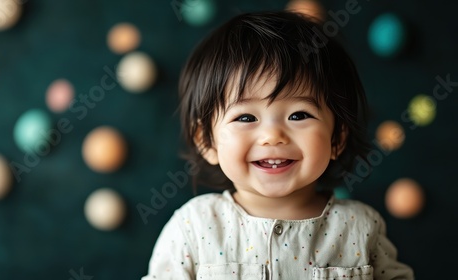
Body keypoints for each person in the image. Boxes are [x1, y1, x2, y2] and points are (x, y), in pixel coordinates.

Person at [142, 10, 414, 280]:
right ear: (207, 141)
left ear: (337, 138)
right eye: (246, 117)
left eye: (299, 115)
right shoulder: (194, 226)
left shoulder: (361, 227)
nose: (273, 135)